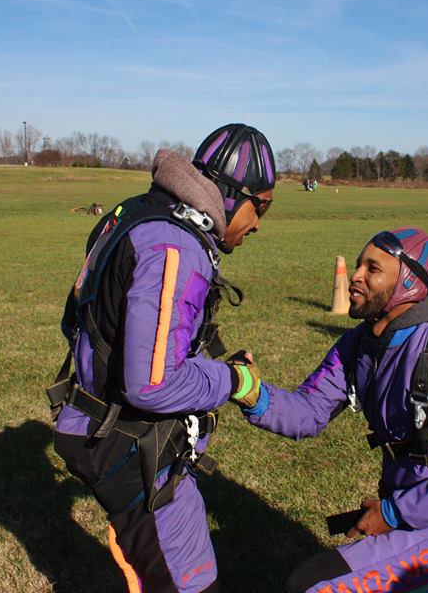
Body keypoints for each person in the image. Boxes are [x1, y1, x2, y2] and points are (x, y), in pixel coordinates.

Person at [48, 123, 276, 593]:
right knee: (191, 583)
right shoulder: (177, 245)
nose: (259, 223)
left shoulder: (135, 212)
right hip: (128, 445)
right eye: (263, 206)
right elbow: (153, 384)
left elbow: (79, 319)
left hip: (91, 417)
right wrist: (231, 380)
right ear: (234, 194)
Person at [230, 227, 428, 593]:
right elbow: (309, 411)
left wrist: (392, 513)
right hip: (404, 509)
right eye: (357, 266)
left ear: (409, 283)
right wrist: (251, 392)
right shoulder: (357, 345)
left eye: (372, 268)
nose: (355, 275)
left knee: (311, 587)